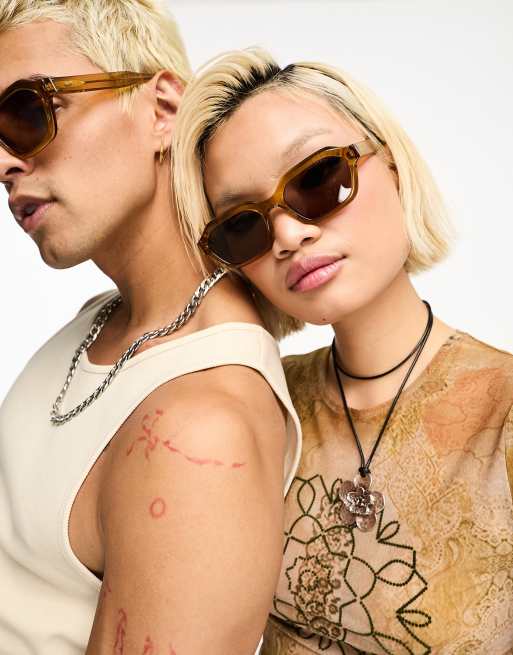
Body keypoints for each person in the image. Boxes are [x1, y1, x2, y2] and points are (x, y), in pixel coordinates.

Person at [172, 48, 513, 654]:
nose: (288, 234)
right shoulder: (258, 401)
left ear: (395, 168)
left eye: (317, 178)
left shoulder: (502, 410)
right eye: (244, 224)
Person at [0, 5, 302, 654]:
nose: (4, 162)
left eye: (26, 113)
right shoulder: (101, 321)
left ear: (162, 109)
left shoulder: (201, 427)